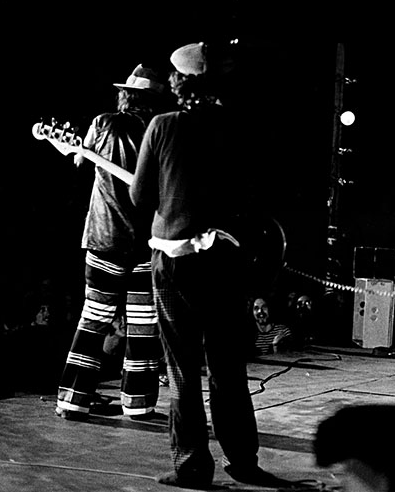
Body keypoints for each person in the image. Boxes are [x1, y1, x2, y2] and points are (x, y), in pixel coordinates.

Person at [130, 42, 283, 488]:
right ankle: (244, 460)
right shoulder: (236, 127)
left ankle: (192, 465)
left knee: (181, 366)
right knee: (227, 366)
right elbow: (253, 198)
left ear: (178, 82)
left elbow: (140, 197)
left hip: (176, 261)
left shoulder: (161, 127)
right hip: (226, 262)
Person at [55, 65, 166, 420]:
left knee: (94, 319)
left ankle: (73, 399)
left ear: (126, 95)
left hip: (105, 237)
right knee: (143, 325)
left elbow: (77, 157)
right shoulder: (159, 132)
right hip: (146, 242)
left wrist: (63, 144)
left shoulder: (103, 123)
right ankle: (139, 402)